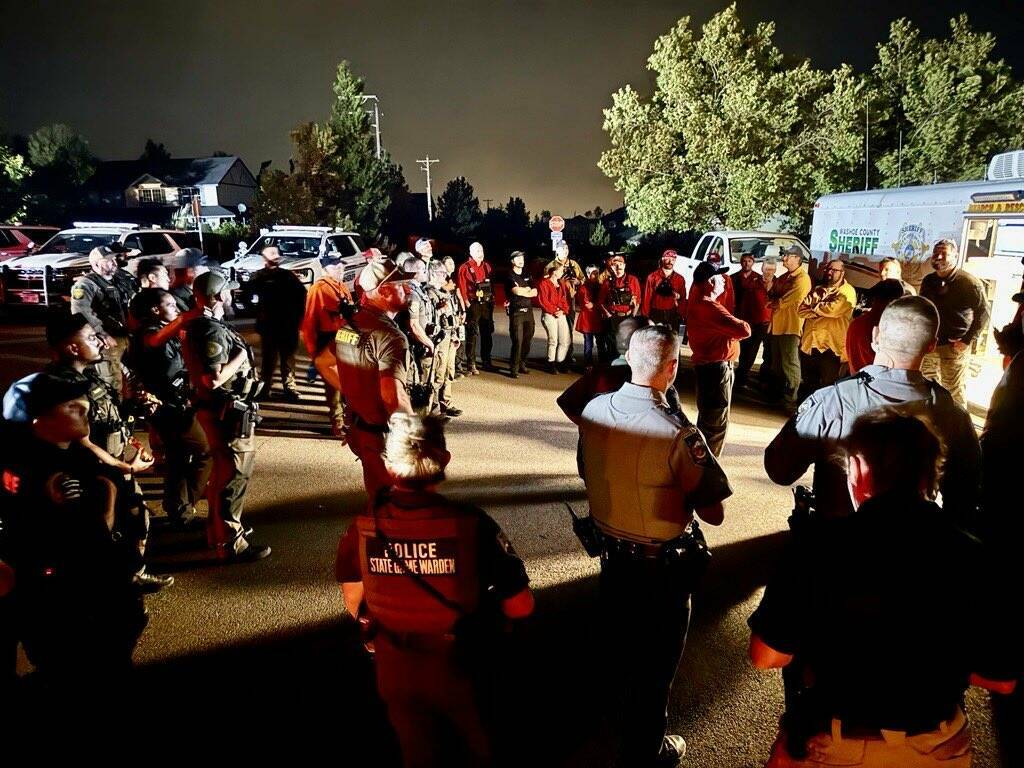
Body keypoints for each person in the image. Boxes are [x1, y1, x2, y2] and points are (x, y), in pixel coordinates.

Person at [749, 410, 1017, 768]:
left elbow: (767, 655)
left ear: (859, 469)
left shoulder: (821, 545)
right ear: (929, 474)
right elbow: (1003, 680)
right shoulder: (974, 553)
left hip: (838, 744)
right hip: (937, 748)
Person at [337, 413, 533, 768]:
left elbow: (355, 603)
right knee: (482, 749)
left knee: (418, 753)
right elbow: (521, 605)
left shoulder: (363, 529)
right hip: (460, 668)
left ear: (389, 464)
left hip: (395, 672)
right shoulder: (472, 525)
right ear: (443, 460)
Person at [578, 325, 731, 767]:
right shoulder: (680, 434)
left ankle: (606, 721)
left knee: (618, 643)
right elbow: (714, 511)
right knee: (656, 665)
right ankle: (647, 748)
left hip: (611, 554)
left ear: (628, 358)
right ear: (672, 368)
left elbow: (588, 469)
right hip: (660, 567)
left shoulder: (594, 410)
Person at [764, 296, 981, 527]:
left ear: (876, 335)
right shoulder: (953, 415)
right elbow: (964, 498)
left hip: (835, 542)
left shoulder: (830, 400)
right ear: (931, 345)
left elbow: (780, 470)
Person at [0, 374, 149, 692]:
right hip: (63, 591)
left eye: (84, 406)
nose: (86, 412)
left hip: (94, 583)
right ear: (41, 417)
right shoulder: (34, 466)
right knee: (75, 666)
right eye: (72, 407)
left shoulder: (75, 455)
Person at [44, 311, 170, 592]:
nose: (101, 342)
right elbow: (83, 444)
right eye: (91, 338)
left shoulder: (87, 377)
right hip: (92, 476)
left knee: (136, 519)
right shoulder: (64, 387)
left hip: (110, 467)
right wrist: (126, 468)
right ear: (72, 348)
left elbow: (106, 419)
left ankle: (130, 576)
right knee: (102, 533)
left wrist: (133, 407)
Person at [181, 271, 271, 562]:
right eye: (227, 292)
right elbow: (213, 379)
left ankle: (218, 534)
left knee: (223, 473)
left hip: (219, 410)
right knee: (233, 475)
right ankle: (231, 542)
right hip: (225, 411)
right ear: (217, 297)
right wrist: (241, 358)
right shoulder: (209, 329)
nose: (231, 296)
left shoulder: (203, 325)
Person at [336, 258, 417, 498]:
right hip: (385, 438)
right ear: (382, 290)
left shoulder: (348, 326)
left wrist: (349, 423)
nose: (408, 289)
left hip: (362, 431)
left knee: (378, 500)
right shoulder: (391, 337)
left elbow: (348, 378)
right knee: (401, 509)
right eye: (400, 285)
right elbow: (394, 397)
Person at [133, 289, 212, 530]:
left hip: (174, 404)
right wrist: (186, 318)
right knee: (204, 451)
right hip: (167, 408)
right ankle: (183, 505)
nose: (176, 308)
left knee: (177, 458)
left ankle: (178, 509)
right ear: (155, 310)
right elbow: (156, 341)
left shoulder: (169, 331)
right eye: (170, 304)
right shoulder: (148, 332)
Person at [686, 262, 751, 457]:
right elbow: (744, 329)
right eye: (719, 278)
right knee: (715, 424)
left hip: (708, 367)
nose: (724, 281)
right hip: (716, 369)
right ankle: (707, 470)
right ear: (710, 282)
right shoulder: (709, 306)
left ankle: (698, 465)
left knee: (708, 419)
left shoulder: (700, 301)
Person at [919, 239, 990, 409]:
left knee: (954, 391)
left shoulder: (969, 282)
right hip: (930, 344)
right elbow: (922, 307)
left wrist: (967, 340)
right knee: (926, 386)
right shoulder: (929, 280)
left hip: (953, 347)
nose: (939, 257)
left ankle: (959, 430)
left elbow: (984, 313)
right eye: (936, 253)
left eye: (945, 253)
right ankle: (931, 422)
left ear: (956, 257)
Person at [300, 249, 354, 437]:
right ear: (325, 268)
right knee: (334, 386)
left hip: (346, 339)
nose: (340, 268)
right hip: (328, 341)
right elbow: (309, 322)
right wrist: (314, 351)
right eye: (335, 265)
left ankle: (348, 420)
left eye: (341, 265)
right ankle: (337, 422)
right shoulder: (318, 289)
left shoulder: (342, 286)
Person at [245, 245, 308, 402]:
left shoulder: (288, 276)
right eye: (271, 253)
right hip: (269, 327)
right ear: (263, 257)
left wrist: (298, 317)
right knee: (268, 360)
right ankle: (265, 388)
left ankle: (290, 388)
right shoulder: (258, 277)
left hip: (288, 325)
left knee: (288, 358)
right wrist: (257, 310)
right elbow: (247, 297)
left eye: (276, 253)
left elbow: (302, 296)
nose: (275, 256)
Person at [70, 245, 134, 394]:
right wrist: (101, 333)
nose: (114, 263)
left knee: (131, 379)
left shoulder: (119, 279)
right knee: (112, 381)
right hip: (108, 340)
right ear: (96, 263)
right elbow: (80, 311)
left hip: (126, 335)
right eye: (109, 260)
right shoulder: (86, 284)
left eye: (114, 259)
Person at [797, 259, 857, 399]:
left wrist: (814, 307)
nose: (829, 273)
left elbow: (834, 310)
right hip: (810, 346)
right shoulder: (818, 289)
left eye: (834, 270)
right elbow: (801, 310)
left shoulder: (848, 292)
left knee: (827, 388)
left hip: (831, 349)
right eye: (828, 269)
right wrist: (821, 309)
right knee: (807, 385)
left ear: (842, 273)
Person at [765, 246, 812, 411]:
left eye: (787, 256)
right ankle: (778, 396)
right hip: (777, 326)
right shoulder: (784, 277)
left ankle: (790, 400)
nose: (784, 259)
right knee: (777, 364)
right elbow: (772, 295)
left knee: (790, 364)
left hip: (790, 327)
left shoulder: (803, 279)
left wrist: (775, 300)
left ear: (797, 258)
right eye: (784, 255)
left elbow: (785, 300)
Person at [426, 260, 462, 417]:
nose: (445, 276)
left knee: (449, 370)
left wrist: (455, 334)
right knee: (437, 373)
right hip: (439, 339)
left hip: (449, 336)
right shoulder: (429, 293)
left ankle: (445, 402)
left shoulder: (444, 292)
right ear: (433, 274)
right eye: (442, 273)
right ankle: (433, 407)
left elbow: (451, 316)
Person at [845, 280, 904, 374]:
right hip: (876, 382)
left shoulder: (856, 323)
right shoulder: (883, 326)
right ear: (892, 301)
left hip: (857, 379)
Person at [733, 253, 772, 389]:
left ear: (753, 263)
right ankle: (740, 374)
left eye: (749, 261)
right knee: (743, 348)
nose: (746, 263)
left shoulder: (760, 280)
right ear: (741, 262)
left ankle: (742, 375)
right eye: (744, 261)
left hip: (758, 320)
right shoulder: (734, 278)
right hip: (741, 318)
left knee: (752, 350)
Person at [457, 242, 495, 374]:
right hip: (473, 304)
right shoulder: (464, 268)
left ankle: (486, 360)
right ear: (471, 253)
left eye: (482, 250)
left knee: (487, 333)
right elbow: (461, 287)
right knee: (472, 334)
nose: (480, 253)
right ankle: (471, 363)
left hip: (486, 303)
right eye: (477, 250)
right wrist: (466, 303)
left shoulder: (487, 267)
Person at [598, 253, 641, 362]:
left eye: (621, 264)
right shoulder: (608, 283)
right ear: (611, 267)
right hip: (613, 318)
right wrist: (608, 314)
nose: (618, 267)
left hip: (628, 316)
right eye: (615, 264)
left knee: (627, 344)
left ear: (625, 265)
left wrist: (633, 315)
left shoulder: (632, 280)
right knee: (613, 345)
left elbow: (638, 300)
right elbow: (601, 301)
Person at [549, 242, 584, 362]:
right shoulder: (551, 265)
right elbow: (545, 283)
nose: (565, 251)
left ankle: (568, 355)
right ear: (557, 251)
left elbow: (583, 279)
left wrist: (578, 282)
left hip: (570, 300)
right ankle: (555, 358)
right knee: (555, 331)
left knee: (568, 329)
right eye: (562, 249)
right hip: (556, 302)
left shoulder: (573, 264)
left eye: (567, 248)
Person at [504, 250, 537, 378]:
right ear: (512, 261)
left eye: (522, 258)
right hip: (516, 312)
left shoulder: (527, 274)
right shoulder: (509, 276)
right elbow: (516, 291)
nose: (521, 260)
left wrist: (526, 290)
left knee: (528, 339)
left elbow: (534, 292)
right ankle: (514, 367)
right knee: (517, 340)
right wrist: (526, 289)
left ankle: (522, 362)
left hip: (528, 311)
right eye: (518, 258)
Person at [538, 262, 572, 373]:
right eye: (561, 270)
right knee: (553, 340)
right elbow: (543, 301)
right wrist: (555, 310)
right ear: (554, 271)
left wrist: (563, 311)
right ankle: (550, 362)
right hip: (549, 314)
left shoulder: (561, 283)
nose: (562, 272)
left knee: (565, 339)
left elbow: (565, 300)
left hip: (560, 313)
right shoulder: (544, 283)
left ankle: (560, 361)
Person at [642, 251, 687, 328]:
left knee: (675, 336)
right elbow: (646, 298)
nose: (670, 262)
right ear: (662, 259)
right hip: (656, 313)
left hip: (672, 313)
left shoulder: (680, 279)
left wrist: (682, 315)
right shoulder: (652, 277)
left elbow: (682, 299)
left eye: (673, 259)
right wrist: (645, 317)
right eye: (667, 259)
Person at [126, 257, 171, 328]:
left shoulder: (136, 299)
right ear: (152, 277)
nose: (168, 279)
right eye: (165, 274)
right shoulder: (141, 302)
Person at [575, 265, 604, 367]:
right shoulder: (584, 288)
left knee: (600, 343)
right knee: (589, 343)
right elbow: (587, 304)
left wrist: (595, 305)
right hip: (588, 319)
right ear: (588, 274)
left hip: (598, 318)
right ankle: (588, 364)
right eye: (593, 273)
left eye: (597, 273)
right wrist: (598, 305)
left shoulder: (600, 286)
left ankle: (602, 364)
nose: (596, 275)